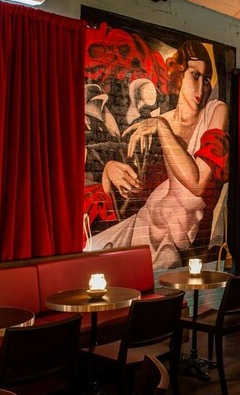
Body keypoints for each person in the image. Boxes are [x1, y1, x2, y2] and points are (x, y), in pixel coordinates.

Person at [92, 40, 229, 269]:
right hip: (143, 230)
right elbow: (131, 200)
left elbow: (197, 184)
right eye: (194, 75)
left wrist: (163, 129)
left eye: (206, 80)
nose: (201, 88)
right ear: (178, 74)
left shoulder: (215, 111)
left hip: (183, 249)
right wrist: (108, 172)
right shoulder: (150, 126)